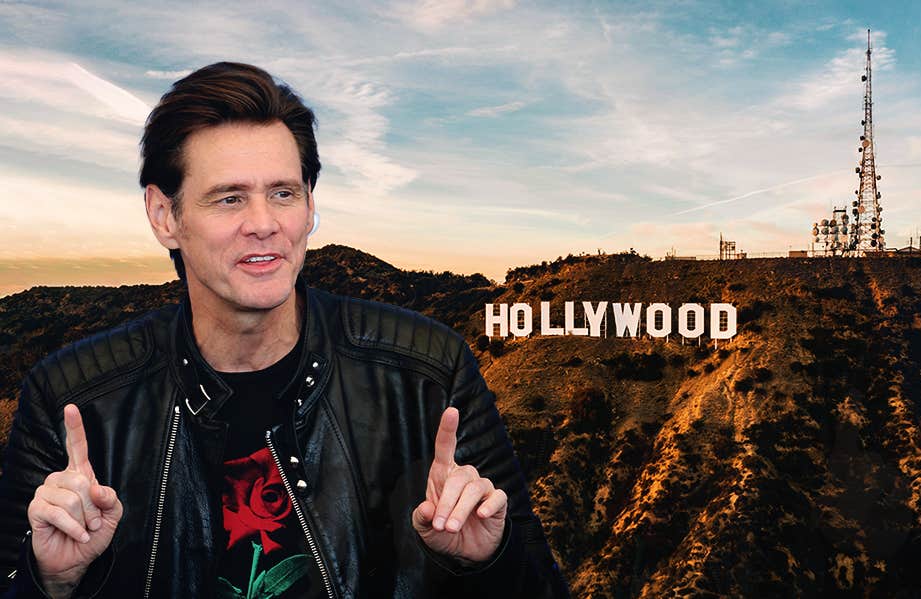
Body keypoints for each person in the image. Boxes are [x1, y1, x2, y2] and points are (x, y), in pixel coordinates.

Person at [0, 62, 568, 598]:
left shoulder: (426, 367)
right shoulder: (70, 395)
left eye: (283, 193)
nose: (264, 224)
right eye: (229, 198)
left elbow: (539, 583)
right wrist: (49, 579)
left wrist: (487, 558)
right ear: (164, 216)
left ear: (309, 205)